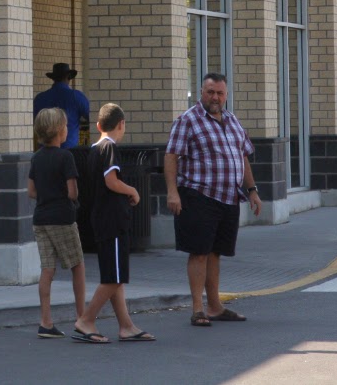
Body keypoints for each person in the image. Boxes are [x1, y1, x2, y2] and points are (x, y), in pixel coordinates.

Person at [165, 73, 262, 326]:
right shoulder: (187, 120)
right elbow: (171, 155)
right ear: (201, 93)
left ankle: (215, 306)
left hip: (228, 198)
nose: (215, 97)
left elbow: (242, 156)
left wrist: (252, 190)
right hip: (198, 195)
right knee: (199, 252)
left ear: (226, 95)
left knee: (215, 253)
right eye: (210, 92)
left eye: (219, 93)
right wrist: (172, 192)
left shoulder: (232, 120)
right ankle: (198, 309)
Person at [70, 104, 154, 344]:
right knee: (114, 278)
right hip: (113, 219)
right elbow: (111, 181)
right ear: (121, 124)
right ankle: (86, 320)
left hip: (100, 218)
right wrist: (133, 191)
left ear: (98, 126)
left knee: (114, 274)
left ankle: (126, 326)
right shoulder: (110, 148)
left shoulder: (93, 150)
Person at [27, 107, 86, 339]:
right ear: (59, 130)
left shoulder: (36, 157)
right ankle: (82, 318)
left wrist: (47, 193)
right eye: (65, 126)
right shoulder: (65, 157)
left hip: (41, 218)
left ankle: (46, 321)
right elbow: (73, 192)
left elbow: (31, 191)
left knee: (47, 269)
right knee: (77, 265)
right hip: (62, 217)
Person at [32, 63, 89, 149]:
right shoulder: (76, 96)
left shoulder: (39, 98)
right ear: (68, 77)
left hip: (43, 151)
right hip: (70, 150)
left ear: (53, 78)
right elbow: (92, 117)